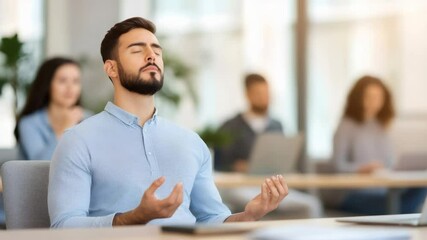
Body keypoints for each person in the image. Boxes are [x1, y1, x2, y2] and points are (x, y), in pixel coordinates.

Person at [48, 17, 288, 228]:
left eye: (156, 50)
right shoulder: (78, 141)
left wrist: (248, 215)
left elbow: (212, 219)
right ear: (111, 68)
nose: (151, 55)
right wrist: (132, 218)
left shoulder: (191, 142)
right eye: (136, 49)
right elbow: (63, 226)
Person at [214, 73, 323, 218]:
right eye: (259, 93)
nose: (264, 98)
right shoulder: (229, 127)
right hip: (241, 186)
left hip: (270, 184)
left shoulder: (276, 126)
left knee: (310, 205)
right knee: (261, 205)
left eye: (267, 93)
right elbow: (219, 164)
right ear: (247, 95)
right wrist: (238, 166)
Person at [331, 75, 427, 214]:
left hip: (383, 189)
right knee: (404, 207)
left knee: (421, 186)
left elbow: (390, 162)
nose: (374, 102)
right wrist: (361, 169)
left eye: (378, 97)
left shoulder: (381, 126)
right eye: (369, 97)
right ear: (358, 98)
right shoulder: (346, 126)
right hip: (353, 194)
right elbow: (337, 166)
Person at [14, 57, 91, 160]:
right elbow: (39, 166)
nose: (70, 87)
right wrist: (64, 128)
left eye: (76, 81)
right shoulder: (29, 123)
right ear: (47, 85)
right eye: (62, 81)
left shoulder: (89, 119)